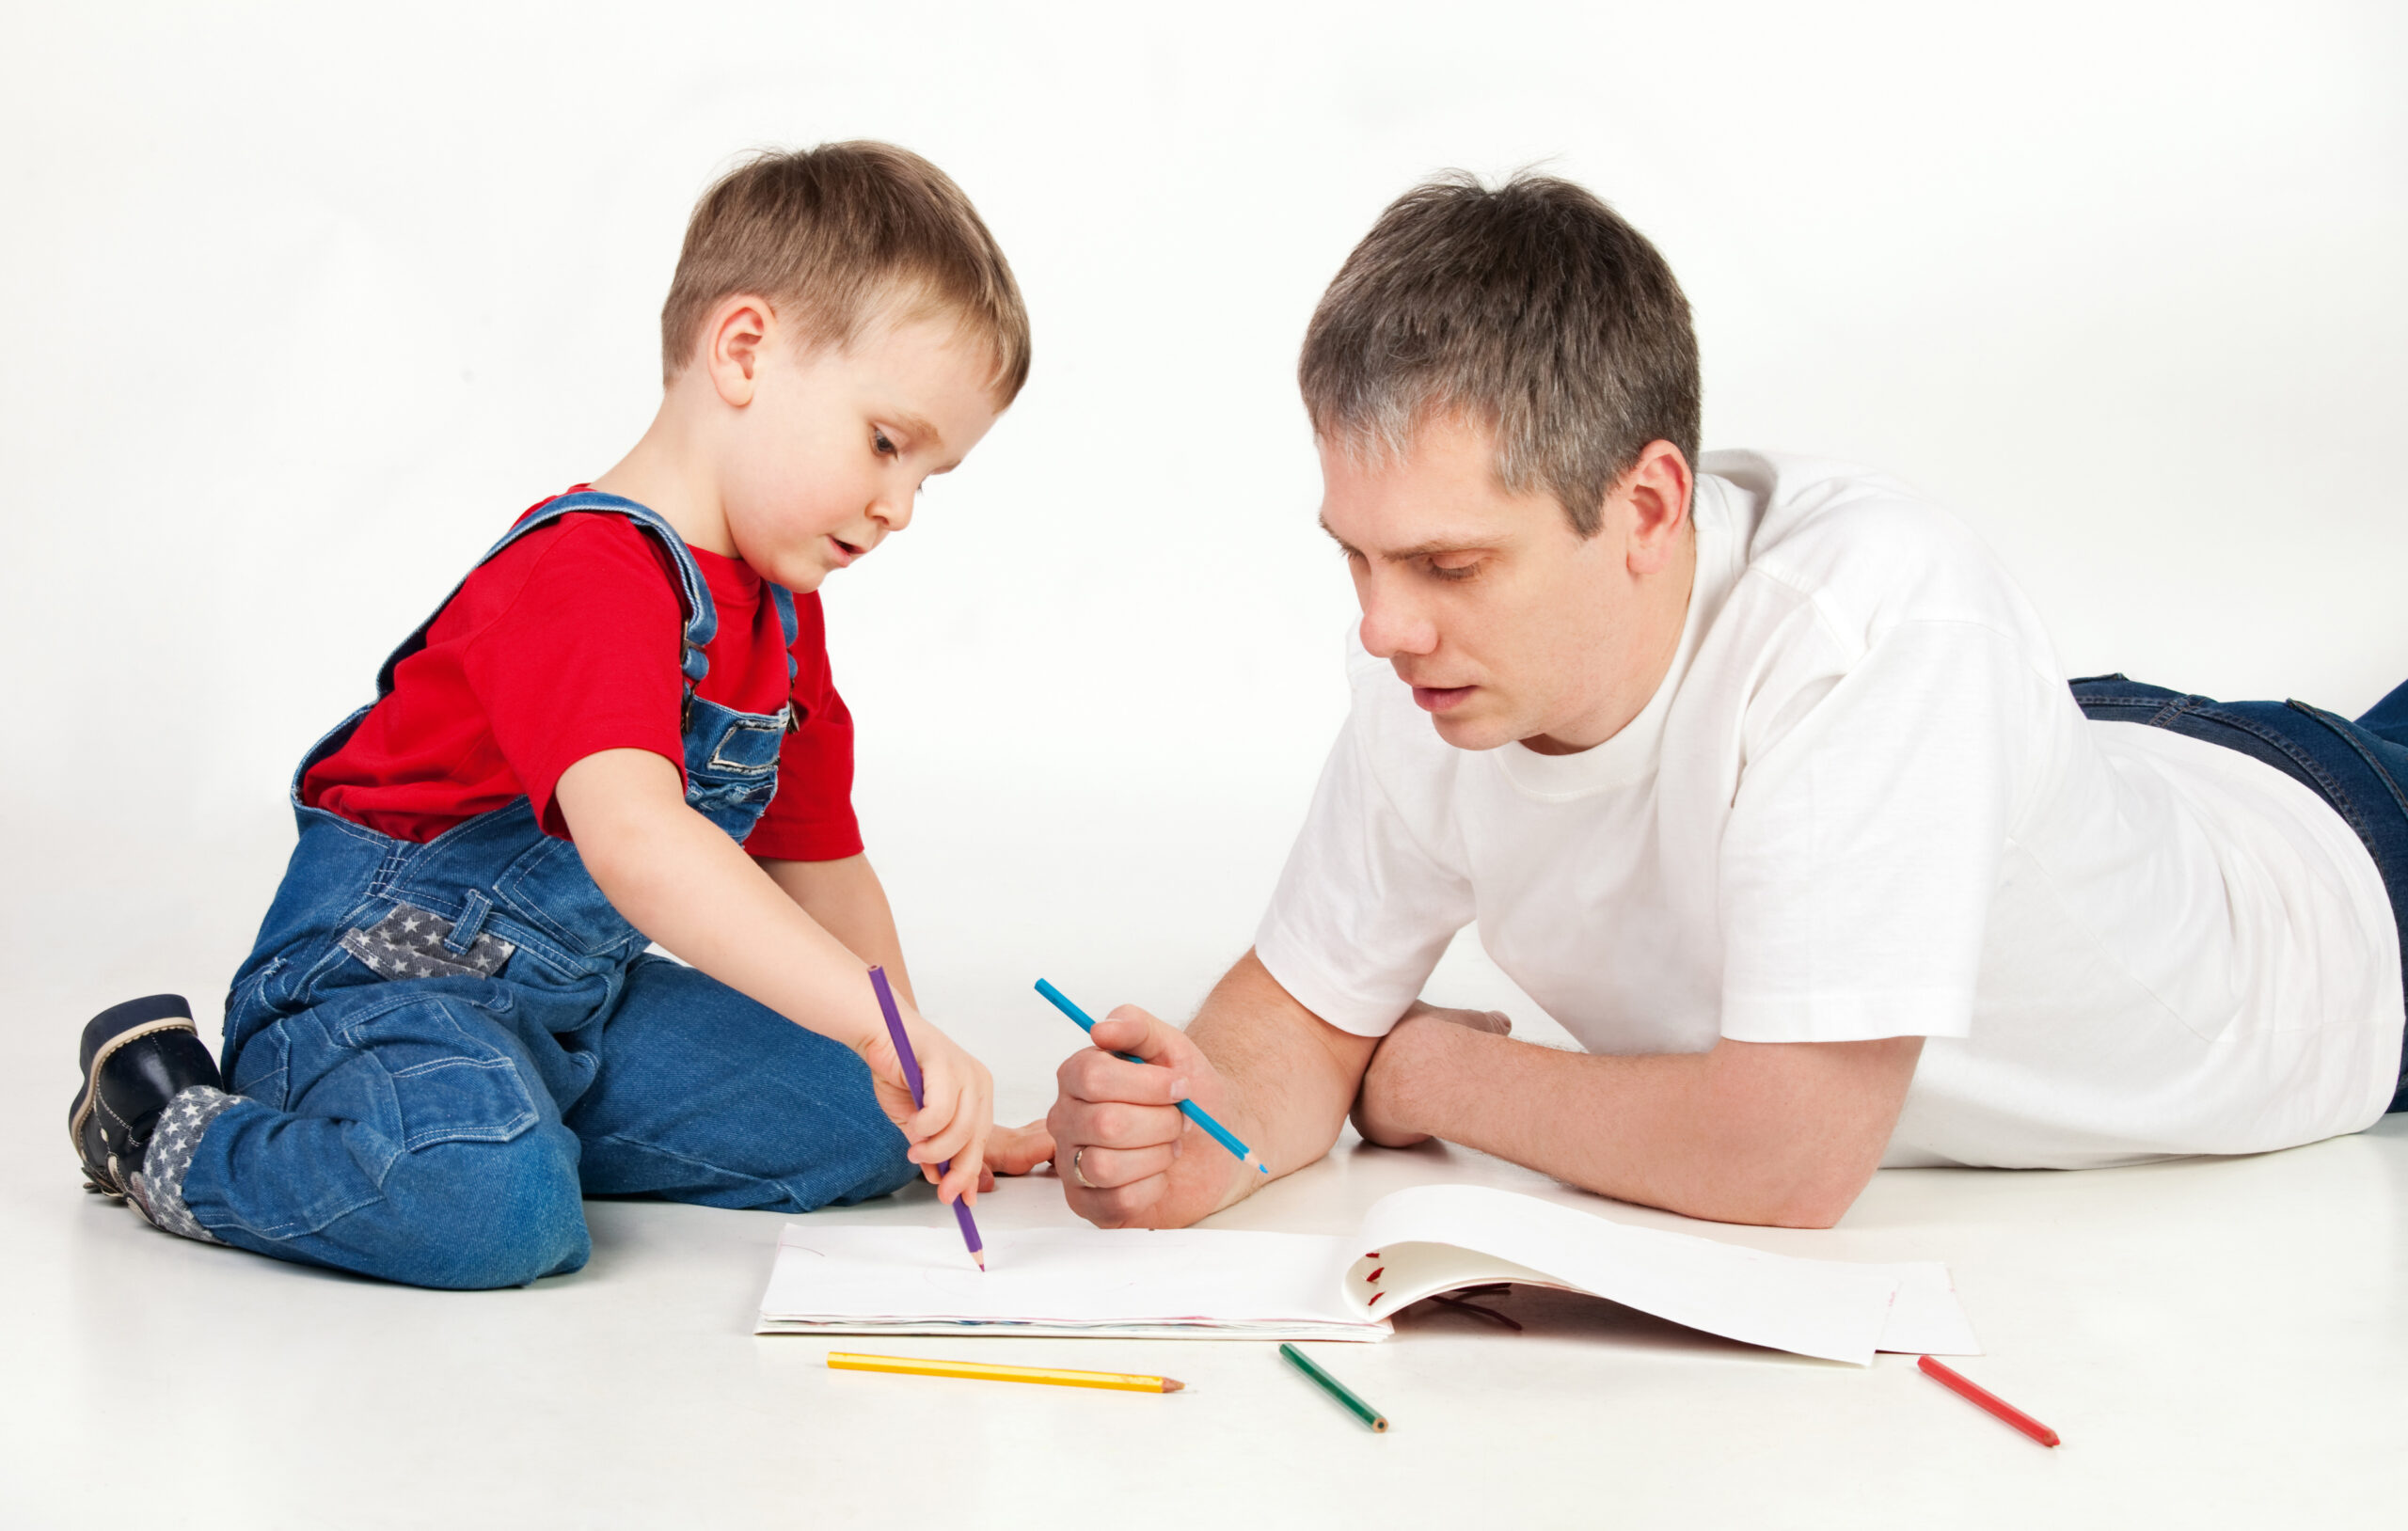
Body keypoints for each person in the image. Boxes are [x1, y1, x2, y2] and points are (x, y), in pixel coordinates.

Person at [1046, 171, 2408, 1231]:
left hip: (2339, 892)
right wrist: (1194, 1136)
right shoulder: (1435, 664)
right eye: (1357, 553)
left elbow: (1787, 1161)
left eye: (1449, 564)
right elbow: (1298, 1018)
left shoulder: (1872, 622)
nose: (1381, 625)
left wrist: (1418, 1078)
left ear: (1646, 507)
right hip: (2063, 760)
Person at [68, 142, 1053, 1287]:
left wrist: (913, 1077)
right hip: (379, 988)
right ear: (744, 349)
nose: (899, 506)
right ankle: (170, 1134)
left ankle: (487, 1119)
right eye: (887, 442)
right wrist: (876, 1020)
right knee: (495, 1211)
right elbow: (636, 841)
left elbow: (820, 864)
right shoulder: (587, 571)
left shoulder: (784, 620)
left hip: (575, 1005)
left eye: (930, 476)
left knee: (856, 1119)